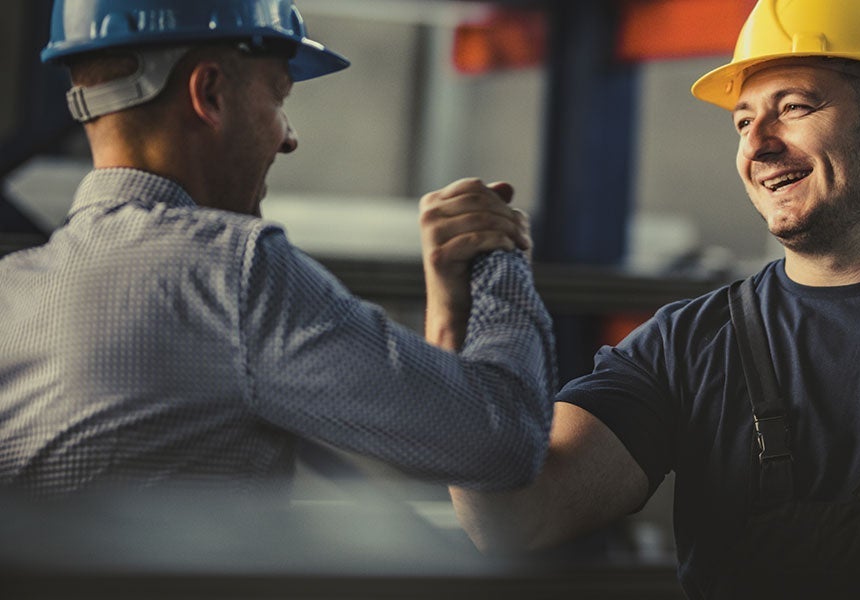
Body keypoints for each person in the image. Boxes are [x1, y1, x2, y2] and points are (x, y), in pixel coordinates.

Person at [433, 0, 860, 596]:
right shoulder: (686, 347)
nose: (757, 145)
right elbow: (515, 516)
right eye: (742, 120)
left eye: (795, 107)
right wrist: (458, 323)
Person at [0, 0, 553, 500]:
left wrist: (450, 313)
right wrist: (496, 253)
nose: (288, 138)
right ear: (210, 93)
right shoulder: (232, 272)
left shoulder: (12, 291)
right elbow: (504, 439)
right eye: (278, 98)